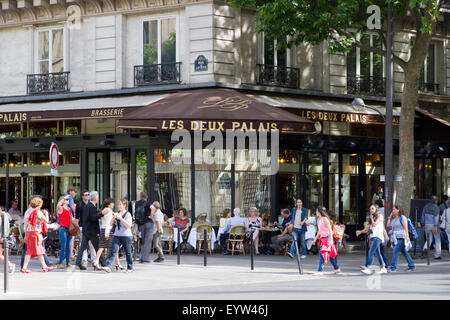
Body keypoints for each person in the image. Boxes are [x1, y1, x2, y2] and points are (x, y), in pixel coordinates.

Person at [21, 197, 57, 273]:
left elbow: (27, 224)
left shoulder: (28, 212)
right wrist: (46, 214)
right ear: (39, 204)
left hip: (30, 232)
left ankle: (44, 266)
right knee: (31, 250)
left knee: (39, 250)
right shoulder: (38, 212)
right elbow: (46, 220)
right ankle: (24, 267)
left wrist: (26, 235)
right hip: (36, 233)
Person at [75, 191, 108, 270]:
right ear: (96, 198)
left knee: (83, 247)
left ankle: (78, 262)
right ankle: (104, 263)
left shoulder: (87, 205)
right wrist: (101, 214)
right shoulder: (92, 206)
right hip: (91, 230)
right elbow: (92, 217)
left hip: (86, 229)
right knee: (98, 247)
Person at [102, 199, 134, 273]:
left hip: (126, 235)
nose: (119, 206)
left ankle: (130, 267)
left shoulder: (128, 214)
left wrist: (120, 218)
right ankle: (109, 266)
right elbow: (110, 224)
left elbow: (128, 226)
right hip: (117, 235)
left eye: (120, 204)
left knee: (128, 252)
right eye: (118, 204)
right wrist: (114, 217)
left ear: (124, 205)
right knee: (113, 251)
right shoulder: (117, 213)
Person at [356, 205, 387, 274]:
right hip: (373, 237)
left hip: (377, 237)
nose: (371, 210)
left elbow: (374, 224)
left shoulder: (380, 216)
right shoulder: (372, 217)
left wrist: (372, 218)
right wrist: (360, 232)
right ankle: (383, 267)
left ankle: (368, 267)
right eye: (370, 209)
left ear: (376, 209)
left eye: (372, 208)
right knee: (378, 253)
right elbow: (368, 227)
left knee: (371, 252)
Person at [94, 198, 122, 270]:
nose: (113, 204)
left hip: (103, 230)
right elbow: (108, 224)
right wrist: (107, 233)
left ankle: (96, 261)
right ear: (108, 204)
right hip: (108, 231)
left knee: (101, 247)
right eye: (112, 203)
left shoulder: (104, 210)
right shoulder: (109, 211)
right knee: (114, 248)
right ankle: (118, 263)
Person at [312, 206, 340, 276]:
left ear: (319, 212)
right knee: (330, 256)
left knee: (322, 254)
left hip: (327, 238)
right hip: (322, 238)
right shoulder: (319, 219)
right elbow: (319, 231)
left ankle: (320, 271)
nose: (316, 212)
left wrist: (330, 240)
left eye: (316, 211)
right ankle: (337, 268)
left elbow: (330, 229)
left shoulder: (325, 219)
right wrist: (315, 240)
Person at [387, 204, 415, 272]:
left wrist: (407, 236)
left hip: (402, 237)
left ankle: (393, 267)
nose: (393, 211)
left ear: (398, 209)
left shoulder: (402, 217)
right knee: (404, 252)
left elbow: (406, 228)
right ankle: (411, 265)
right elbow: (388, 225)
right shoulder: (394, 218)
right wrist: (390, 217)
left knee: (396, 251)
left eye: (394, 209)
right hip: (395, 238)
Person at [75, 189, 97, 268]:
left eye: (88, 195)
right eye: (86, 195)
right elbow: (77, 218)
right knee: (83, 244)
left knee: (92, 244)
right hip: (82, 227)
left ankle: (94, 259)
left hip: (90, 227)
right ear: (82, 196)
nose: (87, 196)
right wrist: (77, 227)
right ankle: (84, 260)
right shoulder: (79, 205)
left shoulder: (91, 204)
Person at [418, 195, 441, 260]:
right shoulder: (436, 207)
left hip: (427, 224)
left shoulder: (426, 207)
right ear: (436, 201)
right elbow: (436, 217)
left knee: (429, 239)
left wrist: (423, 224)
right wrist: (436, 225)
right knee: (437, 239)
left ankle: (425, 250)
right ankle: (437, 255)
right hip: (434, 225)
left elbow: (423, 216)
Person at [136, 192, 155, 264]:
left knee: (143, 241)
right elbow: (152, 208)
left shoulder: (137, 203)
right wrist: (151, 216)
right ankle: (145, 259)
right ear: (146, 197)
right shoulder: (147, 203)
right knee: (148, 241)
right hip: (148, 223)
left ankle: (141, 257)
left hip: (141, 224)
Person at [56, 195, 73, 268]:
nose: (68, 201)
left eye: (68, 200)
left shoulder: (69, 209)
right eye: (67, 200)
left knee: (68, 246)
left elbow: (71, 219)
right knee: (63, 246)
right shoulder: (61, 208)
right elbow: (58, 205)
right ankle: (60, 262)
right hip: (63, 228)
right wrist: (63, 198)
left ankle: (68, 262)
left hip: (69, 229)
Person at [0, 210, 15, 274]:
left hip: (1, 238)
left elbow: (5, 227)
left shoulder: (3, 215)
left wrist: (4, 236)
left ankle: (10, 265)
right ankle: (10, 265)